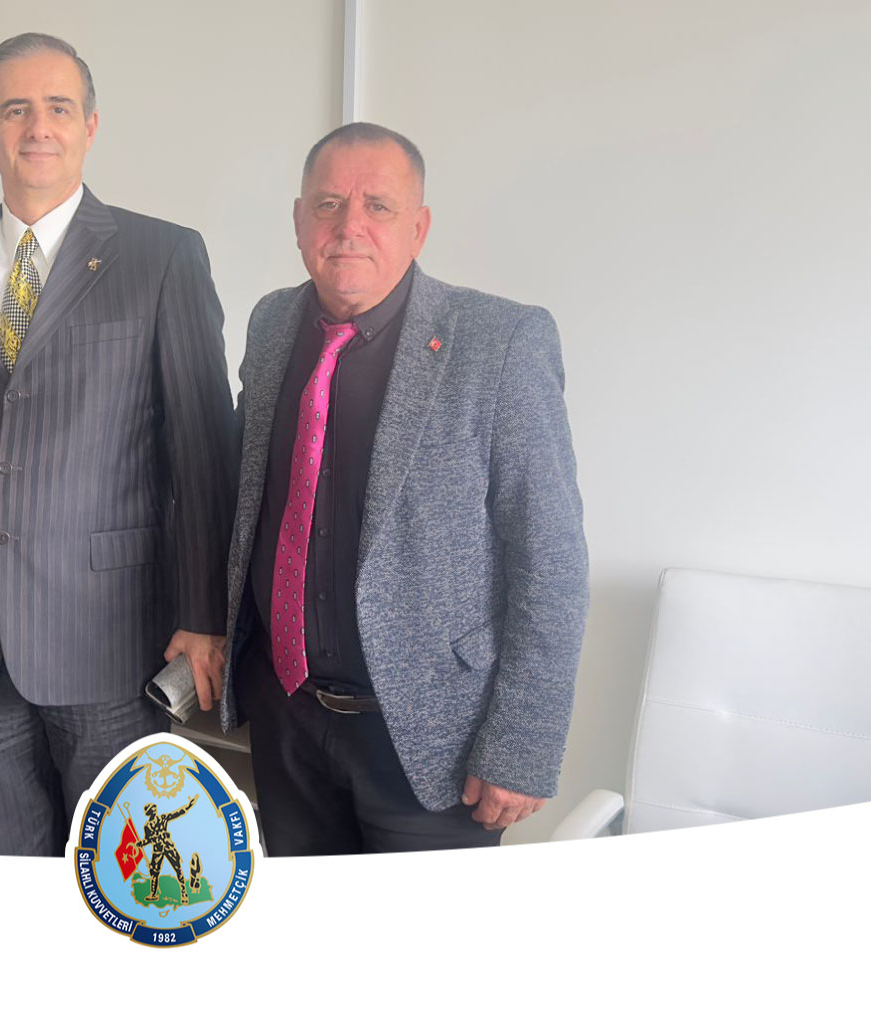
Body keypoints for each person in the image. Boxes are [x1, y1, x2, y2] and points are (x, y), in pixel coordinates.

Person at [182, 122, 588, 854]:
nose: (350, 227)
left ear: (419, 227)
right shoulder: (272, 323)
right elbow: (247, 499)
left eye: (378, 206)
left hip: (431, 739)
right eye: (329, 204)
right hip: (287, 719)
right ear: (299, 220)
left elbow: (551, 559)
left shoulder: (500, 342)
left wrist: (522, 746)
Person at [0, 33, 236, 856]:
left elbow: (202, 445)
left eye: (57, 107)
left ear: (91, 125)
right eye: (16, 109)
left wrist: (203, 614)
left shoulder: (162, 256)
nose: (37, 127)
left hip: (110, 641)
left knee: (122, 875)